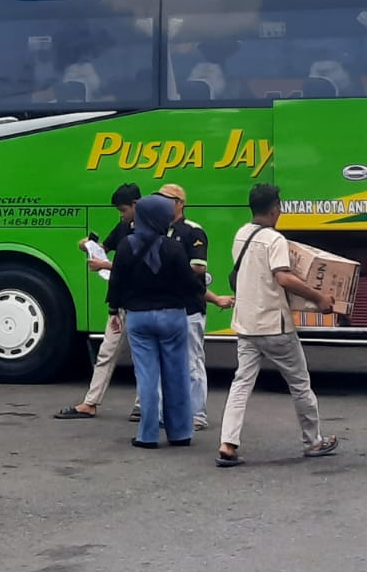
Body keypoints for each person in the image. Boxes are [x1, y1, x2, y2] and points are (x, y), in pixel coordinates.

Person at [216, 183, 340, 468]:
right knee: (300, 383)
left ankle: (227, 443)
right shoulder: (275, 240)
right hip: (275, 326)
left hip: (246, 325)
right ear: (275, 209)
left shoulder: (240, 235)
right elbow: (283, 278)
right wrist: (319, 298)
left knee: (241, 383)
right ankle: (313, 441)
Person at [106, 194, 202, 449]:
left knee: (147, 376)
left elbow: (116, 281)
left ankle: (147, 435)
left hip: (139, 318)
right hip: (172, 317)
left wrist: (114, 311)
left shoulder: (126, 246)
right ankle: (180, 433)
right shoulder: (174, 248)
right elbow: (189, 284)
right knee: (177, 374)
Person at [55, 183, 142, 421]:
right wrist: (89, 247)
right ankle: (91, 402)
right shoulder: (124, 226)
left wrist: (104, 265)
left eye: (123, 210)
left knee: (142, 356)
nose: (121, 215)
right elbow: (105, 247)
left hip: (139, 304)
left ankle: (142, 404)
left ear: (136, 205)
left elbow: (138, 267)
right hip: (119, 302)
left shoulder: (148, 231)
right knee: (106, 352)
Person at [155, 184, 234, 432]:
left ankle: (197, 414)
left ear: (180, 203)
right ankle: (164, 413)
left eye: (167, 200)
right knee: (163, 362)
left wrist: (166, 269)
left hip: (189, 308)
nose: (162, 204)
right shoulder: (157, 230)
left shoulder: (192, 231)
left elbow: (199, 266)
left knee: (192, 361)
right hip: (163, 306)